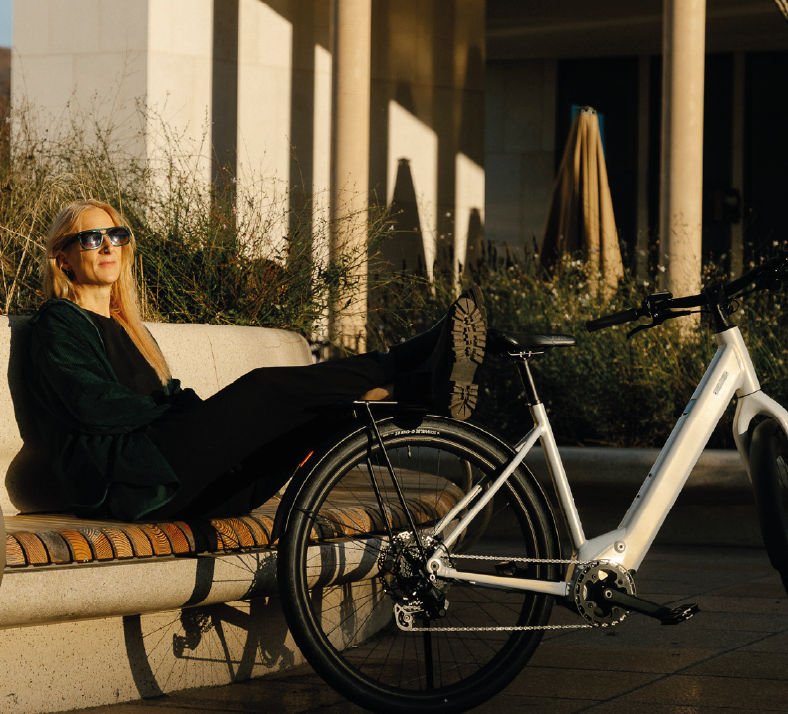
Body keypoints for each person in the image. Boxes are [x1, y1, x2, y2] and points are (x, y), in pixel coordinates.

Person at [26, 199, 486, 524]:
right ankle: (408, 355)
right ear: (63, 258)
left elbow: (163, 397)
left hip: (197, 489)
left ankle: (420, 392)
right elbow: (93, 404)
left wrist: (197, 416)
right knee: (265, 388)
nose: (109, 246)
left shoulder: (132, 329)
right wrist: (198, 418)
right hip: (130, 485)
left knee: (326, 416)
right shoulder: (58, 322)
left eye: (117, 235)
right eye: (92, 238)